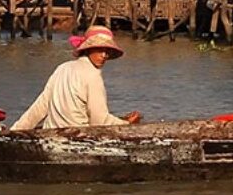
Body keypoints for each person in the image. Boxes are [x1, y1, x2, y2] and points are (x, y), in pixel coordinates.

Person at [10, 25, 141, 130]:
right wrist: (127, 125)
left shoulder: (62, 68)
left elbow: (40, 107)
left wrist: (16, 130)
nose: (104, 55)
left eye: (107, 51)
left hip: (51, 134)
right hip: (78, 136)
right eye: (100, 49)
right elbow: (99, 120)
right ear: (89, 49)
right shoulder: (92, 75)